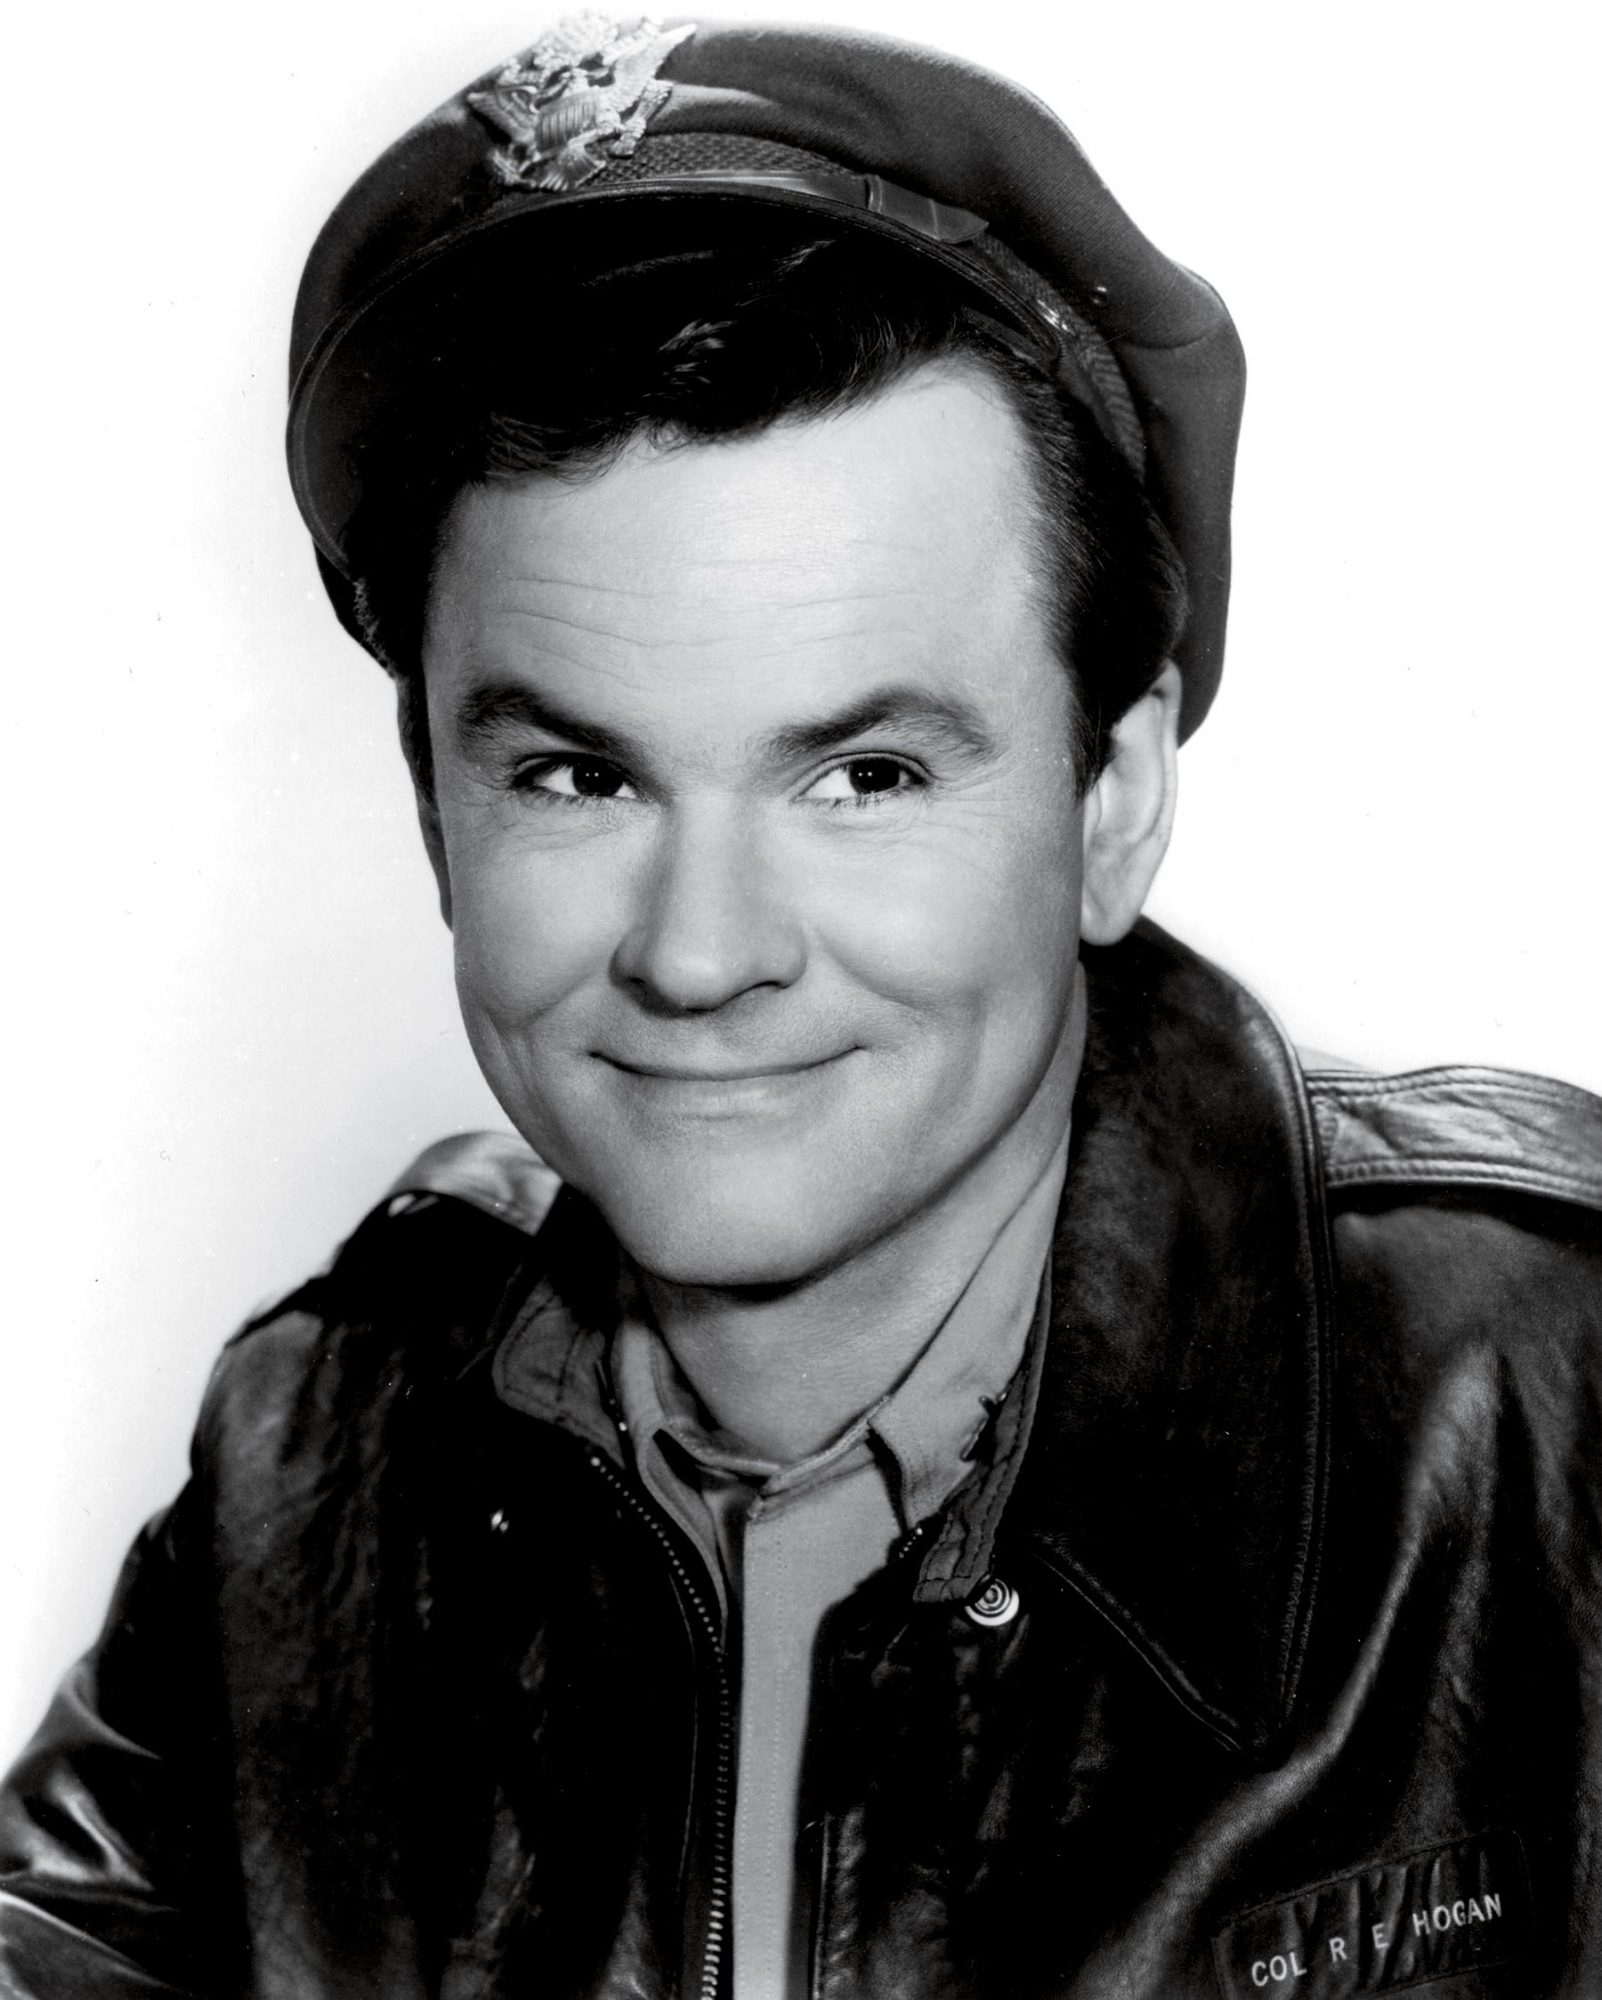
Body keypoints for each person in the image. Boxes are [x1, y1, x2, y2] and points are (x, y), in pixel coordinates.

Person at [2, 14, 1599, 1999]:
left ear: (1113, 801)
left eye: (864, 776)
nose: (700, 953)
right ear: (433, 815)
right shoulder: (317, 1454)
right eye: (575, 777)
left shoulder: (1550, 1391)